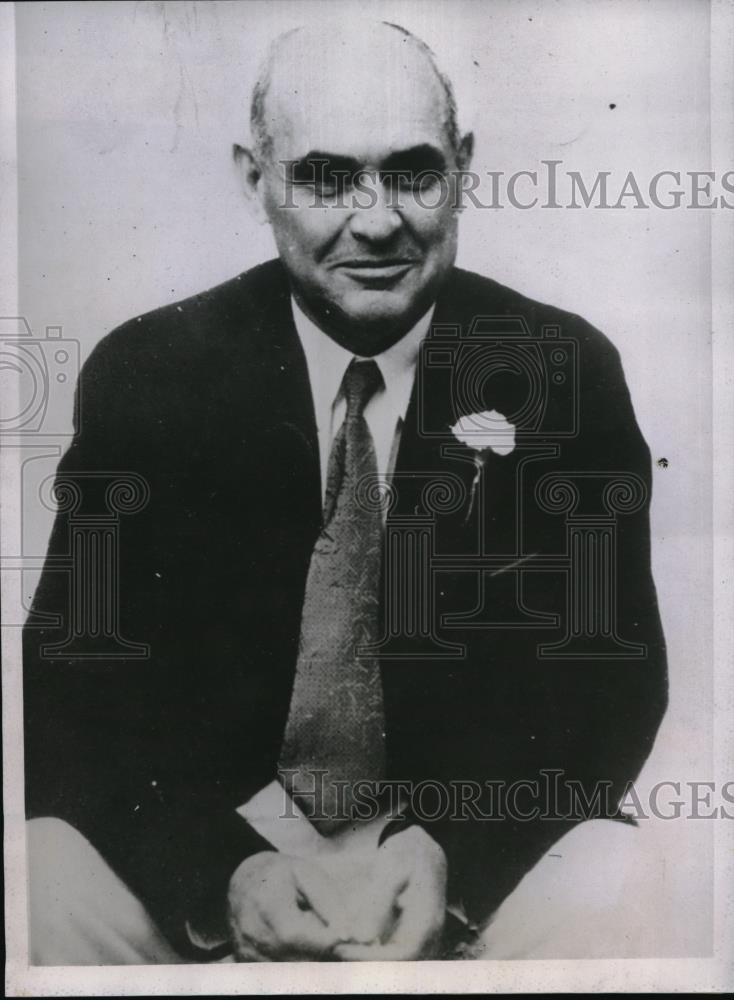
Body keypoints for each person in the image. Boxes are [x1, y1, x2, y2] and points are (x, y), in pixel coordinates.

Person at [23, 21, 667, 964]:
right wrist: (221, 871)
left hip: (448, 857)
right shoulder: (150, 374)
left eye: (413, 171)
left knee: (627, 882)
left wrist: (458, 859)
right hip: (225, 859)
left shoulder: (561, 371)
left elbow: (612, 688)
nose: (375, 220)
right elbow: (68, 693)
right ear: (256, 178)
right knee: (38, 876)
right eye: (326, 177)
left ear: (464, 166)